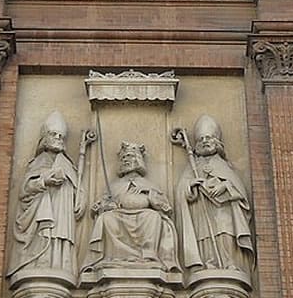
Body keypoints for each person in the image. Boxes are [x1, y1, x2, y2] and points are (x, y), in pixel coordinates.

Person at [7, 111, 83, 280]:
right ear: (45, 138)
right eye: (54, 134)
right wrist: (44, 181)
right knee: (45, 236)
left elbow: (77, 191)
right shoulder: (38, 161)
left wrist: (78, 195)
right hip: (43, 209)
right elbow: (25, 190)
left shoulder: (67, 164)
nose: (58, 138)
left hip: (63, 214)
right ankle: (39, 262)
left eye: (60, 136)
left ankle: (60, 264)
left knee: (60, 238)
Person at [82, 141, 180, 272]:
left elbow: (166, 208)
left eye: (129, 156)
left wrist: (148, 194)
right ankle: (115, 256)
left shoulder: (149, 184)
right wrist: (104, 206)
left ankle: (148, 256)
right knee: (106, 218)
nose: (126, 160)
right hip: (119, 215)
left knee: (154, 216)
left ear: (138, 159)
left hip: (144, 215)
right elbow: (103, 203)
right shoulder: (114, 186)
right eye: (124, 157)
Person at [176, 115, 254, 273]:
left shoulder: (224, 165)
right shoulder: (193, 166)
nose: (205, 141)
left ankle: (229, 262)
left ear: (216, 142)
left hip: (223, 207)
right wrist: (191, 185)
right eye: (201, 139)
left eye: (208, 138)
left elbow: (239, 189)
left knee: (225, 229)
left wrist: (225, 186)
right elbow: (181, 190)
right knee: (204, 234)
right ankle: (209, 262)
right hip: (201, 207)